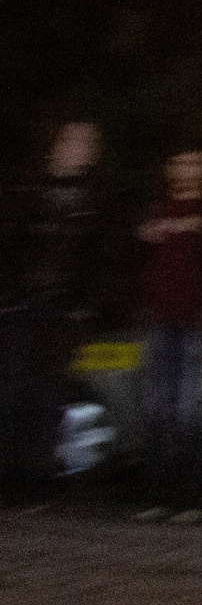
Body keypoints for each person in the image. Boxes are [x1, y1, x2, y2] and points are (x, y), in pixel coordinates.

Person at [0, 120, 104, 496]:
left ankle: (35, 475)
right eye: (75, 140)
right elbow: (10, 245)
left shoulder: (93, 200)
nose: (81, 148)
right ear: (57, 144)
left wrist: (82, 307)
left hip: (61, 310)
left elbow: (95, 260)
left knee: (48, 392)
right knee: (12, 388)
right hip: (22, 305)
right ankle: (8, 472)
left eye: (88, 143)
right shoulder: (30, 190)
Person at [134, 146, 202, 521]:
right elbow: (135, 259)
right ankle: (155, 498)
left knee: (188, 411)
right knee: (154, 409)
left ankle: (194, 501)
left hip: (194, 323)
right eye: (181, 162)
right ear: (170, 168)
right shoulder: (157, 211)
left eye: (195, 163)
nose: (187, 169)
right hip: (158, 321)